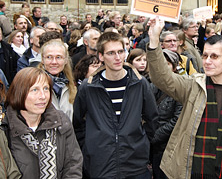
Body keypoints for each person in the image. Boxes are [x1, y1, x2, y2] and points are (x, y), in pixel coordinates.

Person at [147, 17, 222, 178]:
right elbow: (163, 79)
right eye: (204, 56)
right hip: (192, 171)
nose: (207, 61)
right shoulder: (193, 85)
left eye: (214, 57)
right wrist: (154, 40)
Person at [73, 32, 158, 178]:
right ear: (101, 56)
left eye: (120, 52)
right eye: (111, 53)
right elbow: (78, 124)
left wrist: (142, 146)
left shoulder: (139, 83)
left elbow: (152, 120)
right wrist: (90, 149)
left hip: (135, 166)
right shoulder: (88, 87)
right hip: (101, 167)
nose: (118, 58)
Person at [1, 67, 82, 179]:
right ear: (19, 92)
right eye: (35, 90)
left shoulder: (61, 121)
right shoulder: (5, 129)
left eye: (46, 89)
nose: (43, 96)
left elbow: (73, 164)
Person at [151, 49, 183, 179]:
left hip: (169, 147)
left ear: (174, 67)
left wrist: (155, 136)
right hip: (152, 146)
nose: (163, 67)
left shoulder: (181, 87)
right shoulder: (149, 84)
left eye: (167, 64)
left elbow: (177, 119)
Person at [38, 39, 76, 121]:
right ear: (42, 59)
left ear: (65, 60)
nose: (54, 62)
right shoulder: (33, 84)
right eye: (49, 57)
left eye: (58, 57)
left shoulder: (70, 86)